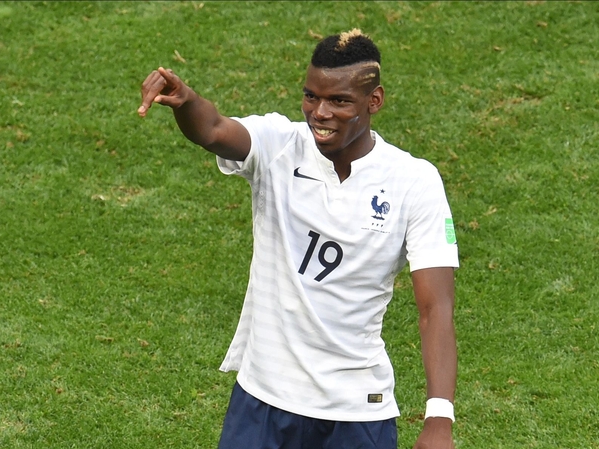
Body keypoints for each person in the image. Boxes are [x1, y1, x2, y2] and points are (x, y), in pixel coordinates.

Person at [138, 29, 458, 449]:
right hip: (264, 399)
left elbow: (436, 308)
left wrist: (439, 419)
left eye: (339, 101)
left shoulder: (414, 182)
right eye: (311, 96)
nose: (319, 113)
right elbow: (213, 130)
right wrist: (186, 101)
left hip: (356, 412)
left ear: (374, 101)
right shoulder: (279, 145)